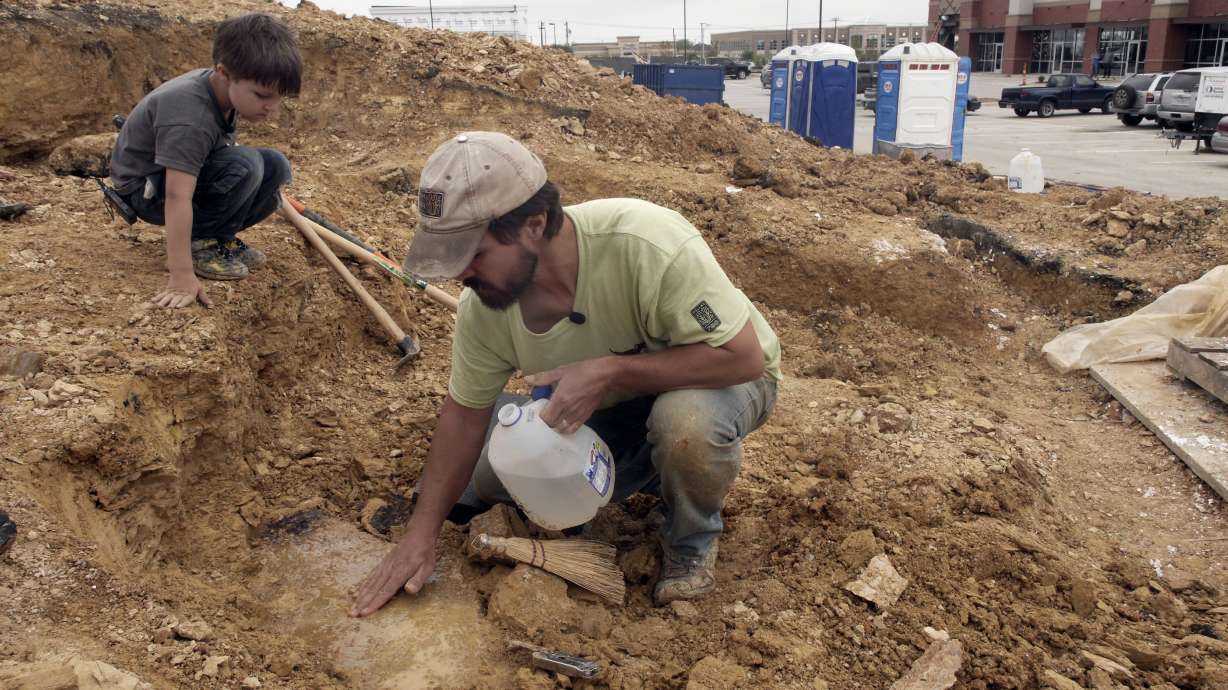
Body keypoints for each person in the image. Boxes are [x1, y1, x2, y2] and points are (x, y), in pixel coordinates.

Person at [352, 132, 781, 615]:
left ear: (533, 224)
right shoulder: (484, 307)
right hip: (611, 403)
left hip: (718, 376)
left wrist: (611, 371)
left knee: (685, 425)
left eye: (473, 255)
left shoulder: (644, 242)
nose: (459, 275)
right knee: (494, 478)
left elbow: (743, 357)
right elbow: (463, 416)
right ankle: (650, 468)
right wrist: (420, 535)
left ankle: (690, 538)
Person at [108, 13, 302, 309]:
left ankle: (220, 238)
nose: (272, 107)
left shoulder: (225, 90)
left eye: (279, 97)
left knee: (275, 166)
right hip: (146, 190)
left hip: (172, 178)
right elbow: (177, 195)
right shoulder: (190, 116)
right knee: (246, 165)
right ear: (224, 73)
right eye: (263, 95)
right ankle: (199, 243)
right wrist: (181, 274)